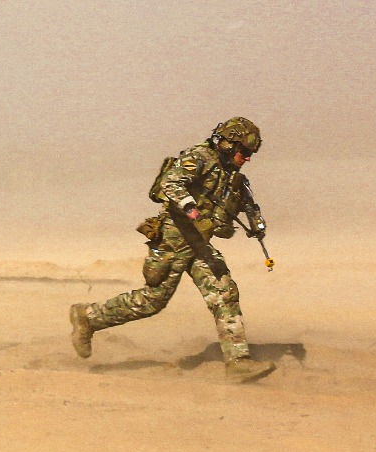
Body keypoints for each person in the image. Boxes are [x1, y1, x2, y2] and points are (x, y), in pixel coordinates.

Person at [69, 117, 276, 383]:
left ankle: (238, 362)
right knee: (153, 300)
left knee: (225, 293)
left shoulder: (234, 176)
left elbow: (249, 203)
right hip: (173, 239)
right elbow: (171, 184)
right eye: (243, 151)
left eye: (250, 154)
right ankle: (88, 317)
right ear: (228, 143)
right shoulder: (199, 157)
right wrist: (193, 212)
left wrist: (257, 225)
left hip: (199, 244)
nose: (246, 158)